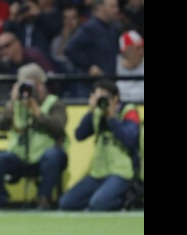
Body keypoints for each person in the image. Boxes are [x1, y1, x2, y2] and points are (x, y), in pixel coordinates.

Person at [0, 64, 68, 210]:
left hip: (45, 157)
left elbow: (59, 127)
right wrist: (12, 104)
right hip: (19, 157)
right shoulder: (17, 104)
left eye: (31, 84)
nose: (27, 90)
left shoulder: (55, 103)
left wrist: (37, 112)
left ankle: (44, 198)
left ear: (40, 84)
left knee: (54, 156)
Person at [58, 80, 140, 211]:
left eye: (104, 97)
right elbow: (80, 135)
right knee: (66, 203)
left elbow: (129, 139)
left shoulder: (128, 111)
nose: (102, 101)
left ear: (116, 98)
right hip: (98, 172)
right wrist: (90, 111)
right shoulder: (97, 113)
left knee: (98, 204)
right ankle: (97, 201)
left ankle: (126, 199)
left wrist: (112, 118)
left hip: (121, 172)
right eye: (98, 97)